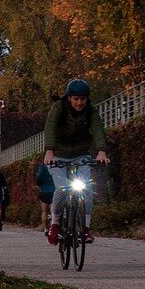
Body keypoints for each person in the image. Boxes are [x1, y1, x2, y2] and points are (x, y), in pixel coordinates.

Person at [44, 78, 110, 246]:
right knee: (62, 188)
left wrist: (101, 151)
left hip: (81, 154)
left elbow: (97, 130)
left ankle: (86, 229)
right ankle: (55, 224)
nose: (79, 103)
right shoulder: (59, 107)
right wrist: (49, 151)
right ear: (69, 98)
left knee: (86, 188)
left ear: (87, 99)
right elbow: (50, 127)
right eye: (76, 99)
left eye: (83, 99)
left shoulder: (91, 111)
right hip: (58, 155)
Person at [34, 161, 55, 235]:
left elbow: (38, 176)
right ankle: (52, 228)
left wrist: (38, 184)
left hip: (43, 191)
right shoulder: (56, 165)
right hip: (54, 191)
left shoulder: (42, 166)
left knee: (44, 211)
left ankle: (45, 229)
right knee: (53, 211)